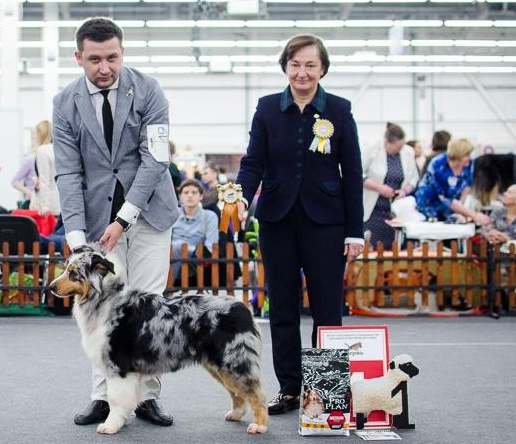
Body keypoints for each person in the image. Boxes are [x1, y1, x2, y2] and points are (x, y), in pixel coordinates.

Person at [53, 17, 179, 427]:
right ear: (79, 57)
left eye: (112, 57)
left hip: (151, 212)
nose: (104, 67)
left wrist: (124, 218)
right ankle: (104, 397)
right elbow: (68, 172)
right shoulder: (64, 103)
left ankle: (147, 397)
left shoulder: (149, 90)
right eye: (94, 59)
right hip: (95, 218)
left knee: (149, 304)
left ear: (122, 52)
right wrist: (76, 238)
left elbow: (155, 159)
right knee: (97, 305)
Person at [235, 34, 364, 415]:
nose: (302, 72)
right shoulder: (266, 108)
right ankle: (290, 389)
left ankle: (326, 391)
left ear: (322, 69)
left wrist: (354, 231)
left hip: (327, 223)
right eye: (295, 64)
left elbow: (352, 172)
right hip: (276, 221)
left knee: (327, 310)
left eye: (310, 65)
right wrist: (242, 196)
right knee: (283, 310)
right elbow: (253, 161)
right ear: (285, 67)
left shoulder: (339, 109)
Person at [362, 122, 419, 249]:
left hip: (397, 211)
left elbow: (414, 179)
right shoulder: (372, 149)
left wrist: (404, 191)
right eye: (397, 147)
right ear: (387, 142)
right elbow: (358, 174)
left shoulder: (408, 152)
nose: (400, 150)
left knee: (398, 248)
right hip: (374, 210)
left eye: (402, 146)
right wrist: (379, 188)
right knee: (375, 248)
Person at [414, 138, 491, 225]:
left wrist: (462, 207)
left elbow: (467, 186)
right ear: (458, 154)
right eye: (466, 155)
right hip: (429, 204)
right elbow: (446, 199)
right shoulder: (438, 164)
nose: (469, 158)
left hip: (453, 205)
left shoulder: (468, 164)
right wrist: (474, 215)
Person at [170, 179, 219, 281]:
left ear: (201, 196)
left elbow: (211, 246)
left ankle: (165, 287)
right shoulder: (173, 215)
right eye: (186, 192)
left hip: (196, 260)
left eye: (194, 192)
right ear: (180, 196)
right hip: (170, 257)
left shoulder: (209, 216)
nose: (190, 195)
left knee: (178, 245)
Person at [32, 120, 60, 216]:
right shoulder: (58, 149)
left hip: (47, 205)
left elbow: (44, 180)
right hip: (59, 201)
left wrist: (44, 206)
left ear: (41, 134)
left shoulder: (42, 150)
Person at [12, 125, 40, 209]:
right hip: (32, 203)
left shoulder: (47, 156)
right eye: (33, 137)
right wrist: (31, 194)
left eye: (35, 136)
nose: (34, 139)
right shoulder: (30, 160)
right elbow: (15, 181)